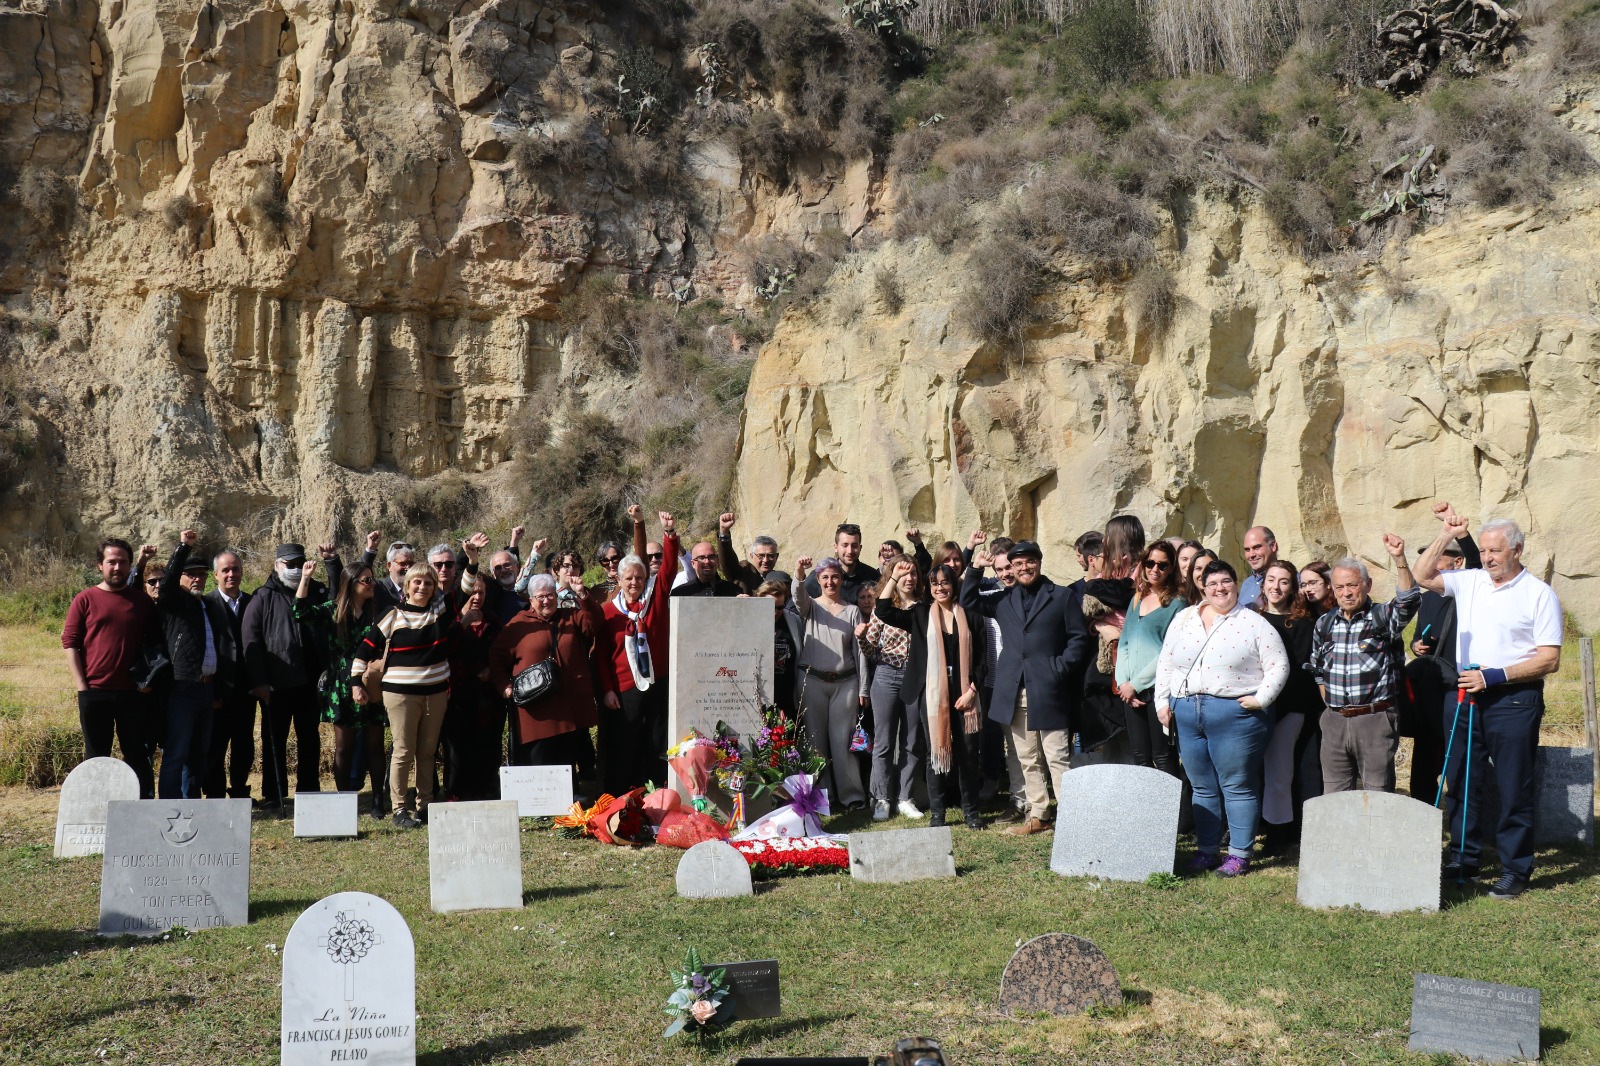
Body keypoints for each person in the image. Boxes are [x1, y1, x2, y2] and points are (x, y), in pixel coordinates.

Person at [1414, 505, 1563, 899]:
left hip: (1513, 700)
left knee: (1514, 786)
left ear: (1516, 549)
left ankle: (1516, 869)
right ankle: (1463, 855)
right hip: (1464, 695)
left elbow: (1550, 658)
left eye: (1496, 550)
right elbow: (1422, 576)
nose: (1489, 557)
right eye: (1484, 549)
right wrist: (1446, 534)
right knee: (1461, 781)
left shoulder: (1539, 594)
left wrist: (1494, 676)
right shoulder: (1471, 580)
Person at [1155, 560, 1289, 876]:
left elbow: (1279, 666)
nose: (1220, 589)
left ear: (1236, 584)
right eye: (1212, 583)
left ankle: (1239, 854)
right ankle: (1207, 850)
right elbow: (1167, 662)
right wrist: (1162, 701)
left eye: (1226, 581)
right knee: (1201, 786)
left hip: (1235, 714)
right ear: (1203, 587)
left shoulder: (1254, 623)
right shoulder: (1184, 618)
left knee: (1237, 785)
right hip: (1186, 711)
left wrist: (1261, 699)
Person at [962, 540, 1091, 837]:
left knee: (1057, 756)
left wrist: (1057, 669)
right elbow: (968, 599)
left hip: (1048, 689)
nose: (1023, 568)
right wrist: (974, 568)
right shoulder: (1003, 600)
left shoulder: (1062, 596)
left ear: (1039, 562)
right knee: (1027, 758)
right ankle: (1039, 814)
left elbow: (1078, 640)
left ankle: (1075, 820)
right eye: (1017, 564)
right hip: (1014, 690)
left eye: (1028, 562)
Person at [874, 564, 985, 829]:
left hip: (965, 694)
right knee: (935, 752)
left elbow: (983, 660)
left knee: (968, 753)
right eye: (934, 584)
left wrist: (972, 692)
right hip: (933, 695)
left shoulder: (971, 616)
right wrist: (894, 577)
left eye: (945, 582)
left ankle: (971, 811)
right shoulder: (921, 614)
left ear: (954, 585)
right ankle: (938, 813)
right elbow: (883, 610)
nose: (940, 588)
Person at [1308, 537, 1419, 794]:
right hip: (1334, 720)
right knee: (1334, 796)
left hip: (1374, 719)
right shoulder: (1325, 623)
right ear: (1332, 590)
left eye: (1352, 585)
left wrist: (1399, 559)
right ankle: (1339, 837)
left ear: (1367, 585)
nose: (1346, 593)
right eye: (1339, 587)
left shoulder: (1381, 617)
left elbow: (1408, 600)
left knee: (1377, 795)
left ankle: (1377, 837)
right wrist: (1330, 705)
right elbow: (1317, 668)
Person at [351, 561, 454, 828]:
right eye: (417, 582)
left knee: (428, 752)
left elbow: (463, 589)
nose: (422, 587)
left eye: (428, 583)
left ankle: (425, 806)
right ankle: (399, 808)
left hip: (436, 693)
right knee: (403, 750)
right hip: (400, 695)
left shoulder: (440, 612)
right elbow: (365, 650)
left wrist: (472, 561)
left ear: (434, 589)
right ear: (407, 586)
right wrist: (355, 683)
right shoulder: (392, 615)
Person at [62, 538, 158, 797]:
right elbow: (70, 643)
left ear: (130, 566)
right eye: (111, 562)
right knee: (95, 758)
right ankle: (95, 809)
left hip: (133, 695)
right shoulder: (84, 599)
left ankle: (142, 806)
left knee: (138, 754)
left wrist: (148, 684)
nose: (117, 567)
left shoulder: (141, 602)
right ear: (100, 566)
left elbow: (156, 646)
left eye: (122, 562)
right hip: (95, 693)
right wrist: (83, 687)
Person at [293, 555, 386, 814]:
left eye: (373, 579)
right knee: (344, 747)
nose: (372, 584)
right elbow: (298, 612)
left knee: (375, 744)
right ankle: (345, 800)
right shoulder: (333, 610)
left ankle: (378, 799)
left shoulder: (377, 612)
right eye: (367, 580)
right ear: (352, 583)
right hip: (341, 687)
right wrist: (305, 579)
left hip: (371, 682)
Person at [595, 507, 680, 794]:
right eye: (628, 578)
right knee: (626, 741)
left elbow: (667, 569)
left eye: (639, 578)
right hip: (624, 687)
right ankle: (621, 795)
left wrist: (669, 534)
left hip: (658, 682)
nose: (634, 582)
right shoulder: (607, 612)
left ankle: (657, 793)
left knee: (657, 740)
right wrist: (606, 689)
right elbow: (601, 656)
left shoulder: (654, 600)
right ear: (618, 580)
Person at [487, 574, 603, 776]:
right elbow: (496, 658)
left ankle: (570, 803)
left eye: (550, 595)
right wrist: (504, 686)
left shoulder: (572, 617)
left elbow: (596, 623)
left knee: (567, 766)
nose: (546, 600)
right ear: (531, 599)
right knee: (539, 768)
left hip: (569, 708)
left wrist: (583, 595)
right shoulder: (518, 625)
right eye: (540, 596)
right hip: (536, 713)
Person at [243, 543, 328, 808]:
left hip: (309, 682)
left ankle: (309, 791)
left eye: (299, 563)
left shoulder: (317, 591)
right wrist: (259, 681)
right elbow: (250, 641)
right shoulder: (262, 596)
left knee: (309, 738)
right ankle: (273, 794)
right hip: (276, 685)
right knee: (274, 740)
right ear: (277, 565)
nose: (294, 569)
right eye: (289, 564)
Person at [1406, 532, 1481, 801]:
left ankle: (1459, 809)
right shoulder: (1426, 598)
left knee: (1453, 747)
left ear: (1458, 562)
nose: (1432, 563)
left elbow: (1477, 564)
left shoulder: (1468, 590)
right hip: (1429, 684)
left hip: (1456, 685)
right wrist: (1417, 645)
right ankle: (1421, 807)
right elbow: (1416, 636)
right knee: (1425, 746)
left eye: (1438, 557)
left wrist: (1461, 534)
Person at [1254, 560, 1322, 854]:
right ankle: (1262, 824)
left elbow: (1299, 671)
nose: (1275, 587)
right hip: (1253, 706)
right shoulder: (1251, 618)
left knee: (1279, 773)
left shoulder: (1302, 623)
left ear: (1292, 587)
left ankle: (1279, 832)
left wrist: (1275, 704)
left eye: (1283, 581)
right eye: (1271, 579)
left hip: (1288, 708)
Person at [792, 555, 870, 810]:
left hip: (845, 683)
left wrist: (863, 688)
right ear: (818, 580)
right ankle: (822, 799)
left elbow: (860, 652)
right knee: (815, 743)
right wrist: (799, 572)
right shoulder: (811, 606)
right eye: (824, 577)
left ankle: (852, 796)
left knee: (842, 742)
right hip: (812, 681)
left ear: (841, 579)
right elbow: (797, 597)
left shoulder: (853, 611)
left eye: (835, 576)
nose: (830, 581)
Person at [152, 531, 224, 799]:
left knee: (198, 753)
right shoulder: (173, 602)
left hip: (206, 689)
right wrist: (183, 547)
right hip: (181, 688)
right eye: (191, 574)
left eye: (202, 575)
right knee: (177, 752)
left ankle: (191, 805)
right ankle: (169, 805)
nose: (198, 579)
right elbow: (167, 582)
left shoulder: (205, 604)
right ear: (180, 576)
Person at [860, 555, 926, 821]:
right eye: (902, 573)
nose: (909, 578)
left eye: (913, 573)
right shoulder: (883, 608)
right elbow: (870, 648)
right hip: (886, 675)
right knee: (884, 742)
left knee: (911, 741)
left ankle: (905, 798)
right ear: (893, 576)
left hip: (916, 677)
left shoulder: (925, 606)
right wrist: (861, 637)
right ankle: (882, 798)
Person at [1114, 541, 1186, 774]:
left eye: (1162, 565)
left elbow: (1169, 653)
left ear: (1171, 569)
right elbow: (1124, 641)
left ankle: (1175, 810)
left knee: (1163, 756)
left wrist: (1135, 685)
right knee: (1140, 757)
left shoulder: (1177, 604)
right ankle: (1145, 810)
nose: (1155, 569)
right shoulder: (1137, 598)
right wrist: (1124, 683)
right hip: (1130, 691)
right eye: (1150, 563)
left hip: (1158, 689)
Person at [1081, 515, 1145, 757]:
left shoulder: (1143, 569)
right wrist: (1100, 627)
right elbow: (1089, 603)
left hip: (1132, 651)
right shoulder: (1111, 572)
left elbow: (1124, 596)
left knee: (1129, 721)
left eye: (1109, 536)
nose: (1104, 541)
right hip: (1107, 650)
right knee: (1099, 703)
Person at [204, 549, 255, 800]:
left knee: (244, 745)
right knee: (215, 745)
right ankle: (213, 794)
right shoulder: (206, 604)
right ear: (216, 574)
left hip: (246, 689)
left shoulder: (252, 602)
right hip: (218, 688)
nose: (231, 574)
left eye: (235, 569)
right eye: (225, 570)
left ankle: (239, 791)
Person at [756, 580, 804, 716]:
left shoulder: (794, 621)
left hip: (787, 695)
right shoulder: (751, 621)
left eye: (779, 607)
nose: (775, 612)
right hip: (759, 694)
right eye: (770, 607)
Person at [804, 523, 881, 606]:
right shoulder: (818, 577)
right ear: (836, 548)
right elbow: (794, 610)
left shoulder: (873, 577)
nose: (850, 551)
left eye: (854, 546)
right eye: (845, 545)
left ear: (860, 548)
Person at [717, 513, 792, 594]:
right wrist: (724, 533)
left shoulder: (782, 580)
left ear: (776, 557)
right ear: (751, 556)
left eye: (770, 556)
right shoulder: (742, 573)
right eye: (761, 556)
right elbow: (728, 560)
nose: (765, 560)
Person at [671, 536, 743, 597]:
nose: (707, 561)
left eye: (711, 557)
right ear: (693, 563)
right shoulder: (680, 594)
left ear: (717, 561)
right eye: (701, 558)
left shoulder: (734, 591)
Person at [1239, 525, 1279, 607]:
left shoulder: (1293, 580)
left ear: (1273, 546)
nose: (1251, 555)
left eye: (1256, 547)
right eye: (1247, 550)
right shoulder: (1246, 584)